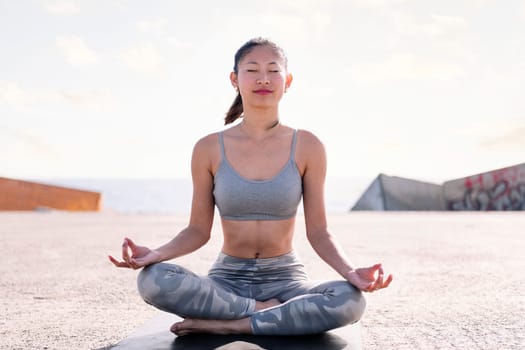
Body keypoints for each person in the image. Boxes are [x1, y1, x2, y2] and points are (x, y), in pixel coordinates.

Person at [109, 37, 393, 336]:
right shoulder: (208, 148)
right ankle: (261, 315)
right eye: (252, 70)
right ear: (235, 79)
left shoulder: (308, 146)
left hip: (286, 282)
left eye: (273, 70)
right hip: (226, 282)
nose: (263, 79)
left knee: (350, 301)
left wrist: (350, 273)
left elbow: (319, 232)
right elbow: (197, 231)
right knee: (153, 280)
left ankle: (231, 325)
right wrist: (156, 254)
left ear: (288, 81)